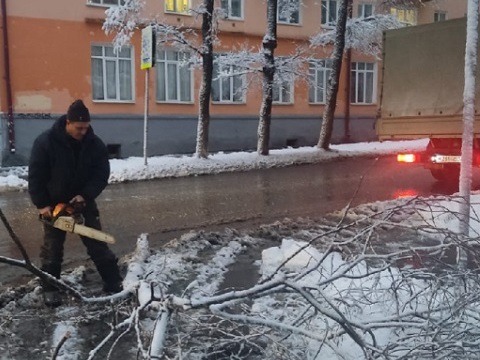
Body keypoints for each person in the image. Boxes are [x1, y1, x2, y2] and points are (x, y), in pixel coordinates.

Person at [28, 99, 123, 307]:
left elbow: (100, 174)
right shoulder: (45, 142)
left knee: (97, 244)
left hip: (82, 203)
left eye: (86, 127)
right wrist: (42, 205)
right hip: (53, 206)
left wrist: (85, 195)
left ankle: (114, 283)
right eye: (79, 128)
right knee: (52, 250)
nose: (83, 131)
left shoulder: (94, 144)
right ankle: (50, 289)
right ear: (68, 123)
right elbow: (36, 176)